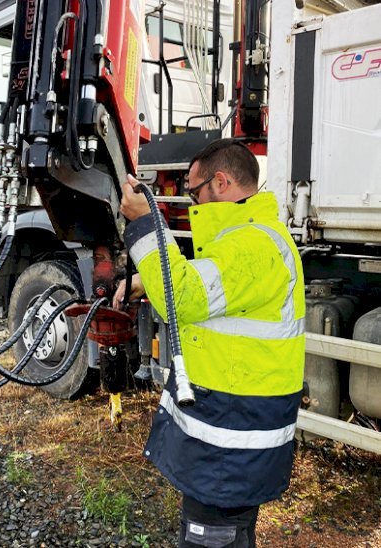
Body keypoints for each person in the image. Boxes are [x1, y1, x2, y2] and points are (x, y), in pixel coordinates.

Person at [115, 138, 305, 547]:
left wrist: (147, 224)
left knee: (212, 539)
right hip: (231, 430)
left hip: (231, 444)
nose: (193, 203)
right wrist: (143, 279)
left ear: (220, 183)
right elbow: (215, 294)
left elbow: (181, 297)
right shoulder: (248, 240)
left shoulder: (251, 246)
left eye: (194, 191)